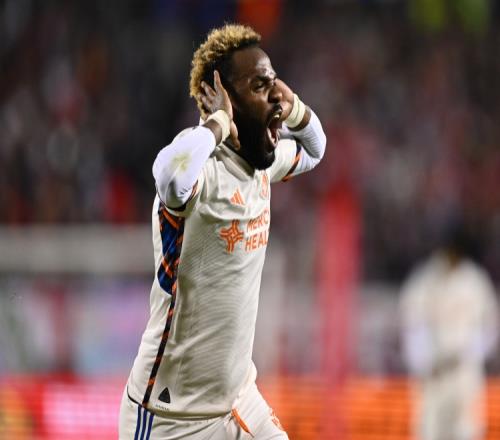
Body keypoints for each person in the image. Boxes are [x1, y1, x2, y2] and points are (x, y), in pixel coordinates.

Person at [119, 24, 326, 439]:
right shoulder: (203, 170)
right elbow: (169, 176)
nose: (274, 96)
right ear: (225, 99)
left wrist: (295, 107)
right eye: (259, 86)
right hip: (170, 417)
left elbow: (315, 148)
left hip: (237, 398)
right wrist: (216, 124)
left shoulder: (264, 164)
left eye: (273, 83)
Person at [400, 224, 499, 440]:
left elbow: (490, 324)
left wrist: (473, 354)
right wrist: (422, 361)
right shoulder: (426, 280)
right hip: (434, 373)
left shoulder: (474, 281)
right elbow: (413, 324)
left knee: (465, 430)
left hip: (463, 371)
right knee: (430, 430)